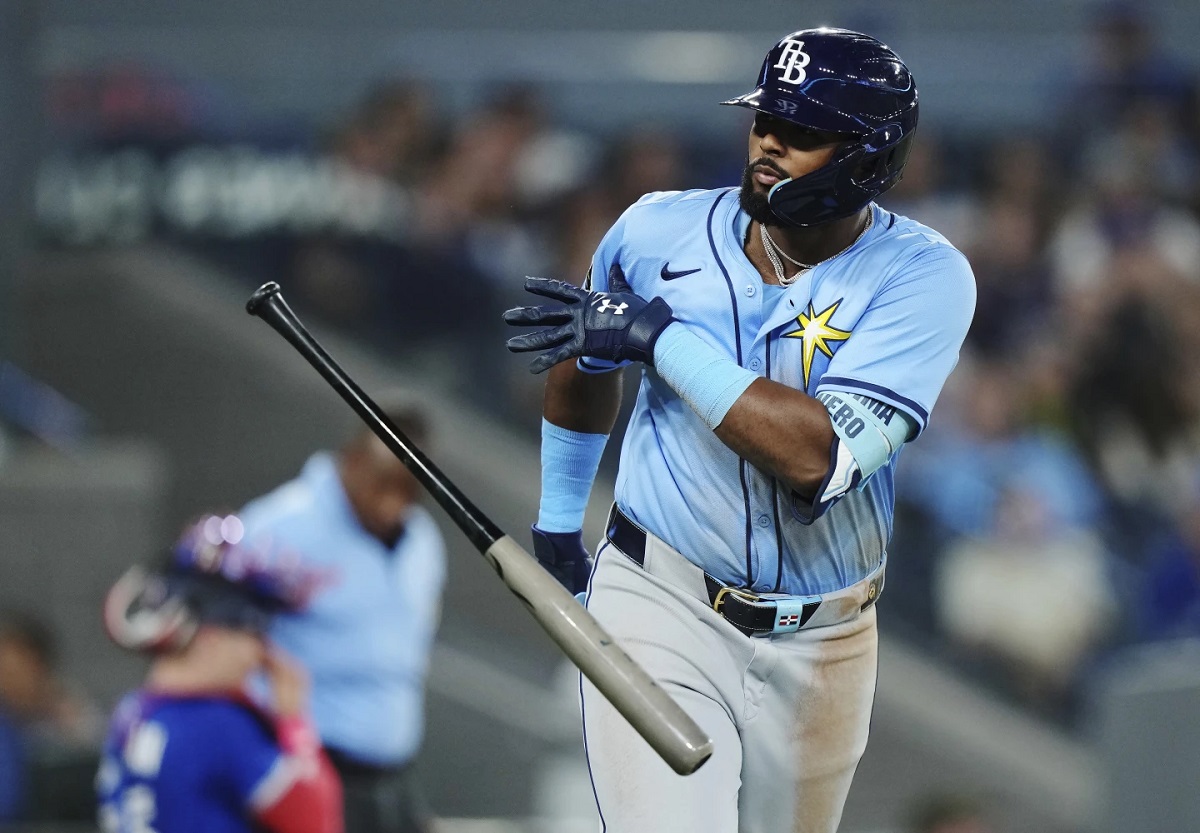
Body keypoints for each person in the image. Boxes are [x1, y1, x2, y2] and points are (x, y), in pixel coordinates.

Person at [503, 28, 976, 833]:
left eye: (802, 131)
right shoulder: (655, 232)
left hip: (826, 638)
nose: (768, 142)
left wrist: (662, 339)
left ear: (868, 154)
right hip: (661, 601)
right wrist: (556, 523)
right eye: (764, 120)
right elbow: (581, 368)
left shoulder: (925, 277)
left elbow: (817, 458)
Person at [238, 406, 447, 833]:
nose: (394, 503)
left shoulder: (424, 540)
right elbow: (219, 646)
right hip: (307, 768)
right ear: (352, 459)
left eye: (411, 489)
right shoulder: (277, 529)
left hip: (393, 778)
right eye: (384, 483)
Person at [97, 514, 343, 833]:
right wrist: (294, 719)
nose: (260, 655)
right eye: (254, 635)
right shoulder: (219, 725)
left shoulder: (132, 709)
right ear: (210, 639)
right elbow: (316, 823)